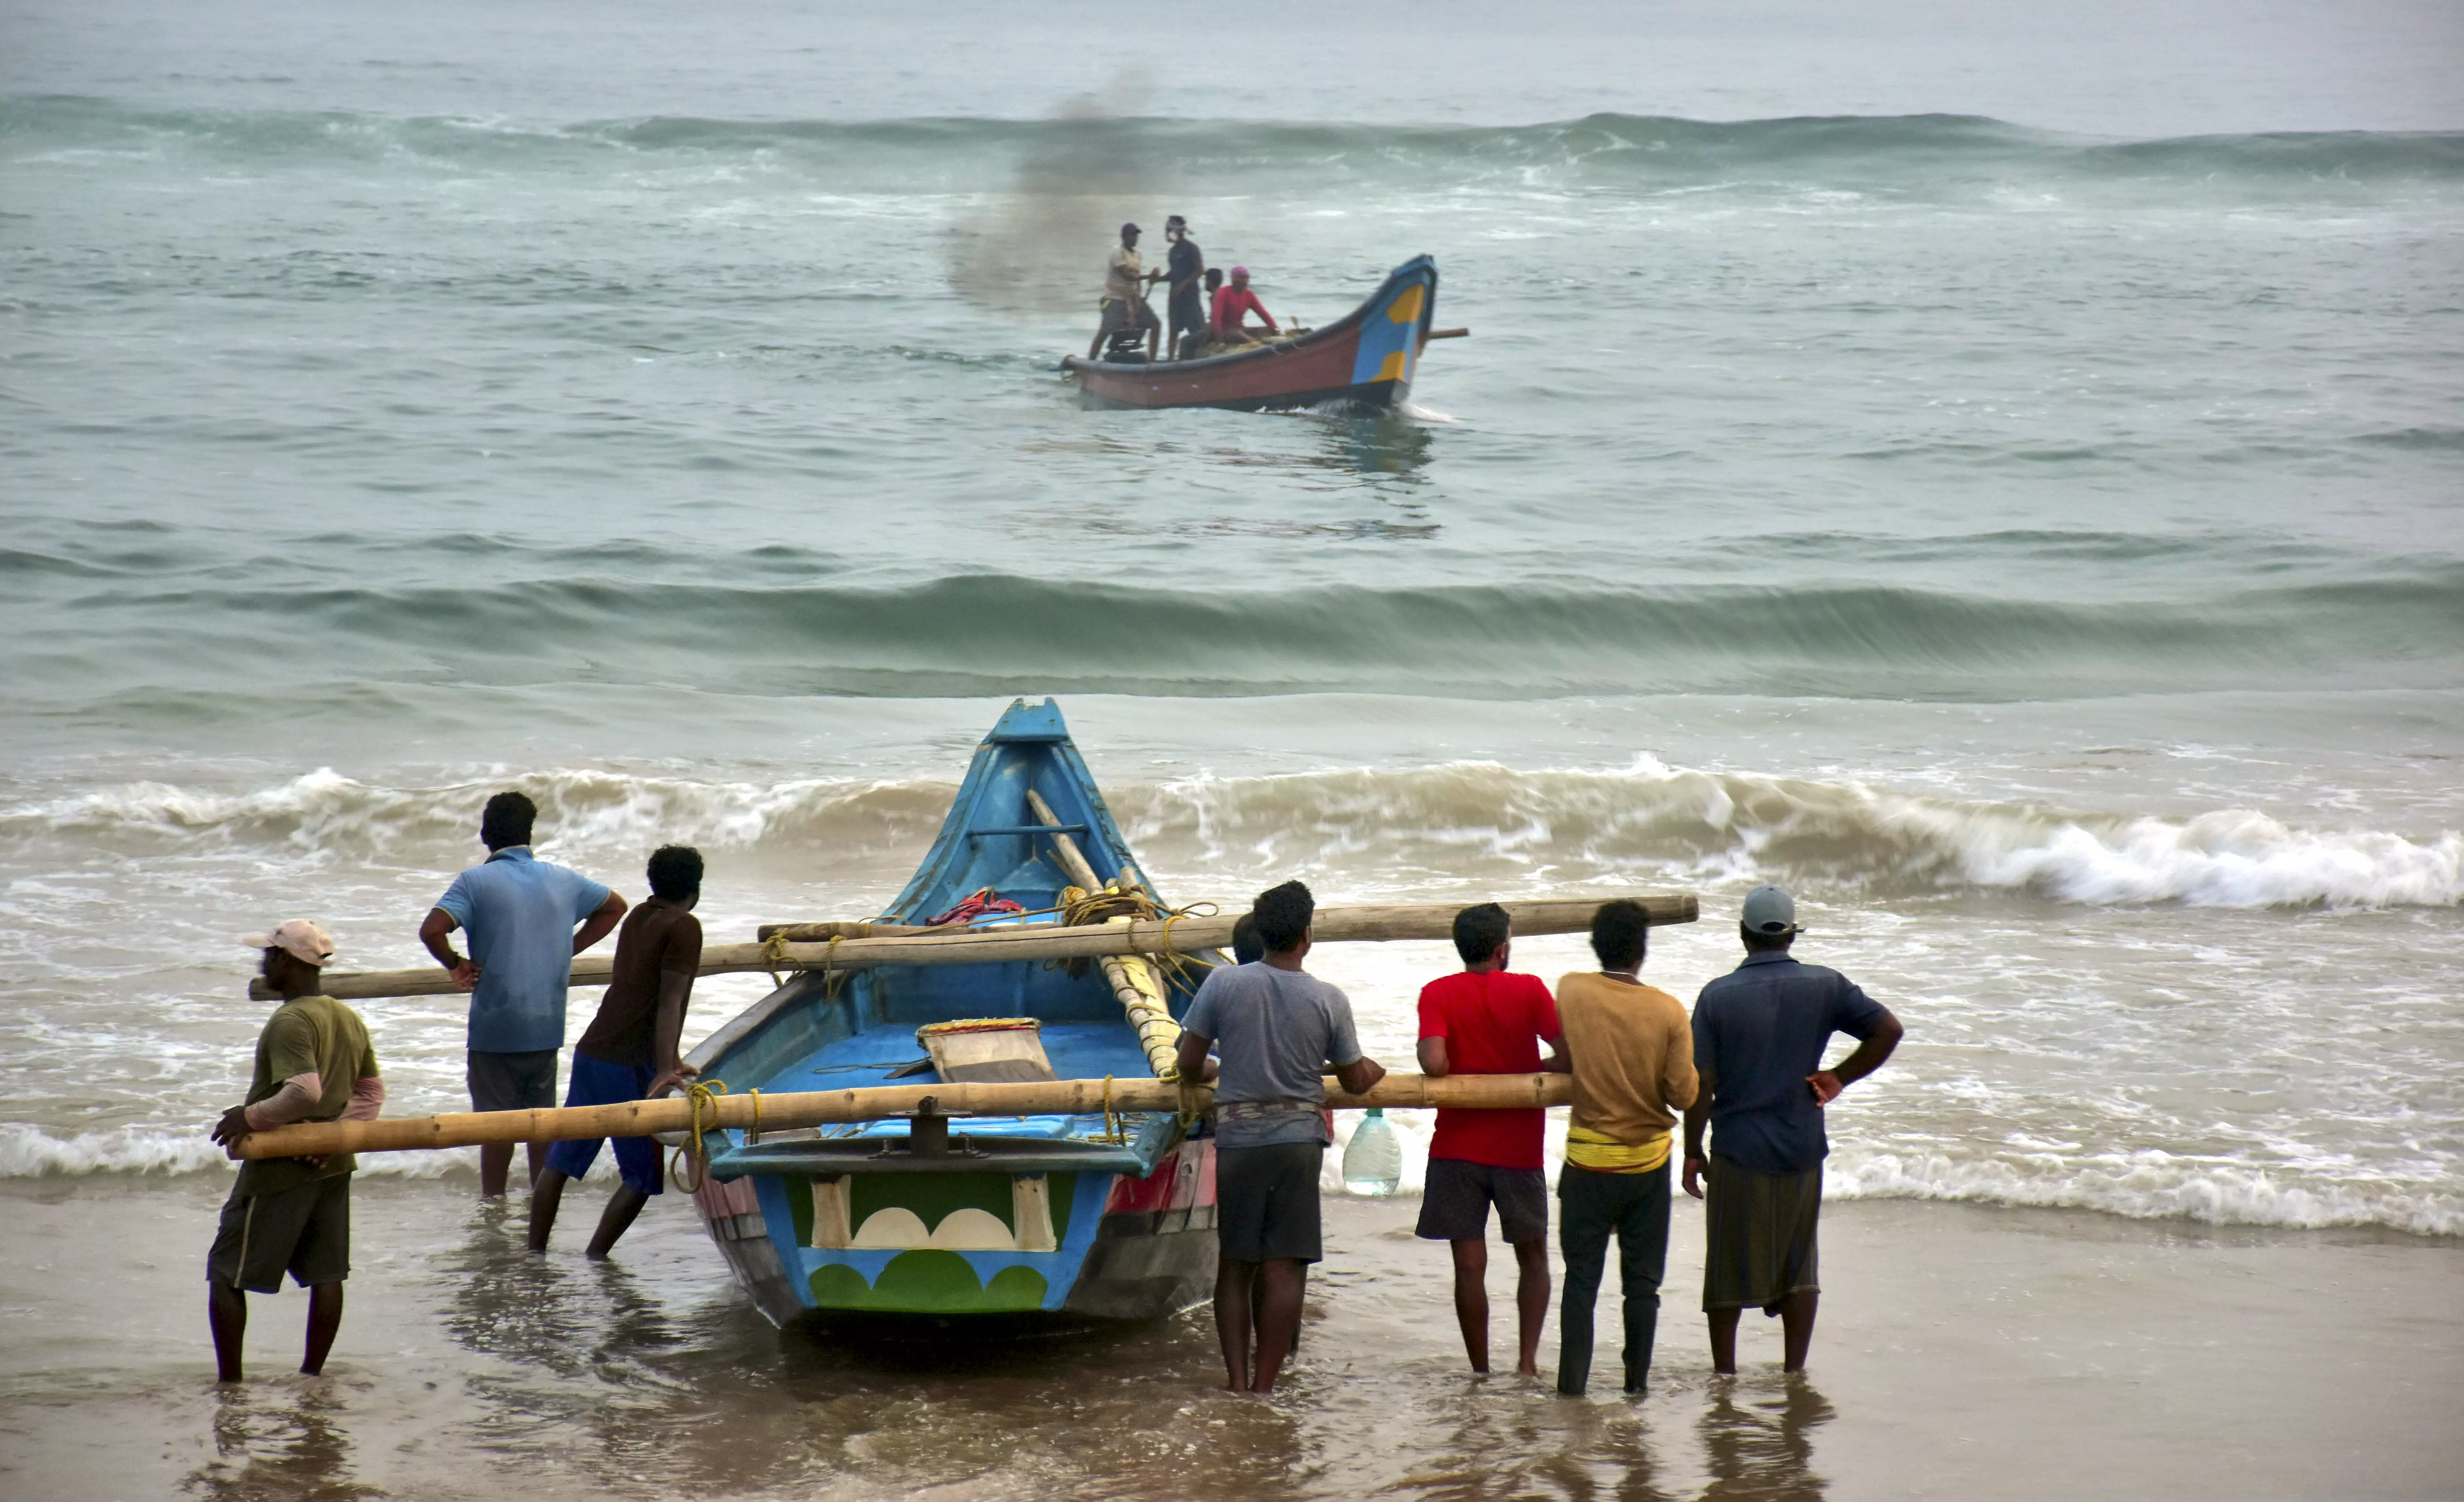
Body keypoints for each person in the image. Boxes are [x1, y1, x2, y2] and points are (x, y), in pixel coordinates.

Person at [1174, 880, 1386, 1394]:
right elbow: (1356, 1078)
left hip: (1239, 1138)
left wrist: (1213, 1073)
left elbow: (1188, 1062)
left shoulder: (1224, 985)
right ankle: (1267, 1386)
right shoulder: (1328, 998)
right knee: (1285, 1266)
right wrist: (1375, 1070)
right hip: (1298, 1142)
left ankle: (1238, 1381)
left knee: (1236, 1264)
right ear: (1307, 936)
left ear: (1261, 932)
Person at [1682, 885, 1904, 1374]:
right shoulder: (1826, 985)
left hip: (1739, 1150)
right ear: (1790, 936)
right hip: (1802, 1145)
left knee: (1727, 1266)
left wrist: (1693, 1149)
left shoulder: (1718, 996)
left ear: (1744, 935)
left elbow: (1702, 1083)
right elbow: (1889, 1029)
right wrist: (1840, 1077)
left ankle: (1725, 1374)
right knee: (1799, 1265)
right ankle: (1793, 1371)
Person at [418, 790, 626, 1197]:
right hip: (545, 1025)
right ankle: (540, 1211)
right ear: (529, 834)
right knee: (540, 1127)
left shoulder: (475, 882)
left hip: (496, 1028)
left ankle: (493, 1211)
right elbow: (615, 906)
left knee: (495, 1132)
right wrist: (568, 947)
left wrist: (456, 964)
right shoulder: (564, 879)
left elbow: (431, 930)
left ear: (485, 834)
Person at [207, 921, 384, 1383]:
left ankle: (230, 1385)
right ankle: (312, 1379)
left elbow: (304, 1091)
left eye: (268, 954)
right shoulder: (346, 1017)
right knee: (326, 1273)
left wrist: (250, 1118)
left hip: (279, 1167)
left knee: (227, 1271)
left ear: (287, 961)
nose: (262, 962)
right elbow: (371, 1093)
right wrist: (333, 1139)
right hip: (332, 1165)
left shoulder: (290, 1019)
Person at [1549, 899, 1698, 1397]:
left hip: (1588, 1161)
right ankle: (1636, 1388)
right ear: (1643, 951)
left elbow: (1566, 1054)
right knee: (1642, 1286)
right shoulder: (1669, 1010)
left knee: (1580, 1283)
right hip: (1647, 1166)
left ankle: (1571, 1388)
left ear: (1596, 945)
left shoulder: (1572, 989)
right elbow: (1684, 1094)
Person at [528, 844, 705, 1257]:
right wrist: (666, 1069)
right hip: (626, 1065)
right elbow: (669, 1000)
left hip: (594, 1052)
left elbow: (642, 992)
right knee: (643, 1175)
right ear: (695, 887)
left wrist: (668, 1060)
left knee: (561, 1161)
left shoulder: (639, 917)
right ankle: (596, 1256)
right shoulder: (685, 927)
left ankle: (534, 1254)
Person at [1414, 902, 1564, 1377]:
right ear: (1504, 948)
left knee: (1468, 1266)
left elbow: (1434, 1064)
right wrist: (1532, 1071)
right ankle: (1526, 1363)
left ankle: (1480, 1368)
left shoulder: (1437, 992)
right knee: (1533, 1256)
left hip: (1456, 1145)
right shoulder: (1530, 989)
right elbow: (1570, 1053)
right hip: (1518, 1147)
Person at [1086, 221, 1162, 362]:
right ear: (1125, 237)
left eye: (1137, 236)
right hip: (1115, 298)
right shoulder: (1117, 253)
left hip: (1132, 299)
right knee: (1105, 331)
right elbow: (1128, 276)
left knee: (1155, 324)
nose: (1136, 238)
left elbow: (1137, 280)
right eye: (1133, 236)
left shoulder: (1138, 255)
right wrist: (1148, 277)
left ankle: (1152, 362)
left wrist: (1141, 295)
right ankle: (1090, 362)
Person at [1161, 214, 1207, 359]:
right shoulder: (1173, 251)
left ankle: (1199, 359)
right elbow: (1173, 274)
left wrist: (1183, 285)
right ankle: (1169, 361)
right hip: (1175, 299)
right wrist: (1157, 279)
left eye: (1168, 230)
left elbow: (1200, 270)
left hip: (1190, 297)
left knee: (1198, 331)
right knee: (1173, 331)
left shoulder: (1191, 248)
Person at [1209, 265, 1279, 347]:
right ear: (1234, 280)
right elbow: (1216, 317)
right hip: (1226, 331)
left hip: (1241, 329)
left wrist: (1275, 328)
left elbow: (1264, 314)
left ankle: (1258, 341)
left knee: (1269, 330)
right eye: (1241, 278)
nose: (1245, 281)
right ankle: (1256, 343)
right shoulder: (1223, 293)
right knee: (1236, 334)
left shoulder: (1249, 295)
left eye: (1247, 278)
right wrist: (1220, 340)